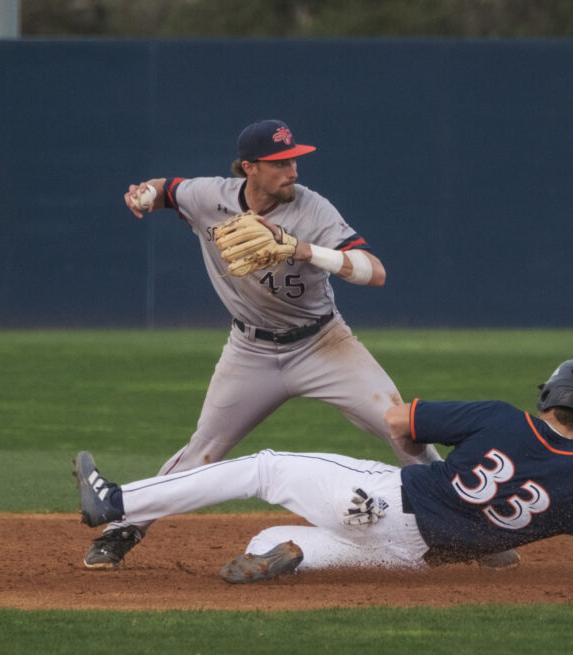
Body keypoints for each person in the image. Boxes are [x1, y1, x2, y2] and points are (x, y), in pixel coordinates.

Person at [83, 119, 446, 570]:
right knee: (203, 451)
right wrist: (144, 196)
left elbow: (375, 271)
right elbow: (167, 190)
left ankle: (461, 515)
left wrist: (301, 249)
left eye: (294, 159)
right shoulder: (209, 196)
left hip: (323, 344)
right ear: (249, 168)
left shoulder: (313, 210)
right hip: (250, 351)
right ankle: (123, 529)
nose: (292, 170)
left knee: (401, 427)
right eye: (279, 163)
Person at [74, 358, 573, 582]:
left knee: (262, 466)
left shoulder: (501, 418)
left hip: (383, 497)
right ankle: (280, 553)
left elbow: (401, 422)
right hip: (417, 554)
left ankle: (119, 501)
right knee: (278, 535)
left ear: (550, 395)